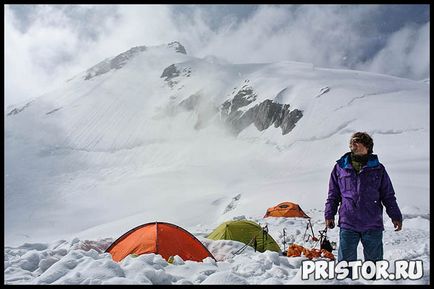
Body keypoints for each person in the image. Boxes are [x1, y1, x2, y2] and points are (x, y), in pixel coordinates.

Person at [324, 132, 403, 278]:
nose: (353, 143)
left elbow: (388, 195)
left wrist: (396, 216)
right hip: (348, 223)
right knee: (345, 268)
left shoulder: (378, 169)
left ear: (367, 146)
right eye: (352, 141)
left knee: (374, 268)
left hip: (372, 223)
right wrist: (329, 214)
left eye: (357, 141)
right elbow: (333, 194)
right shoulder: (340, 167)